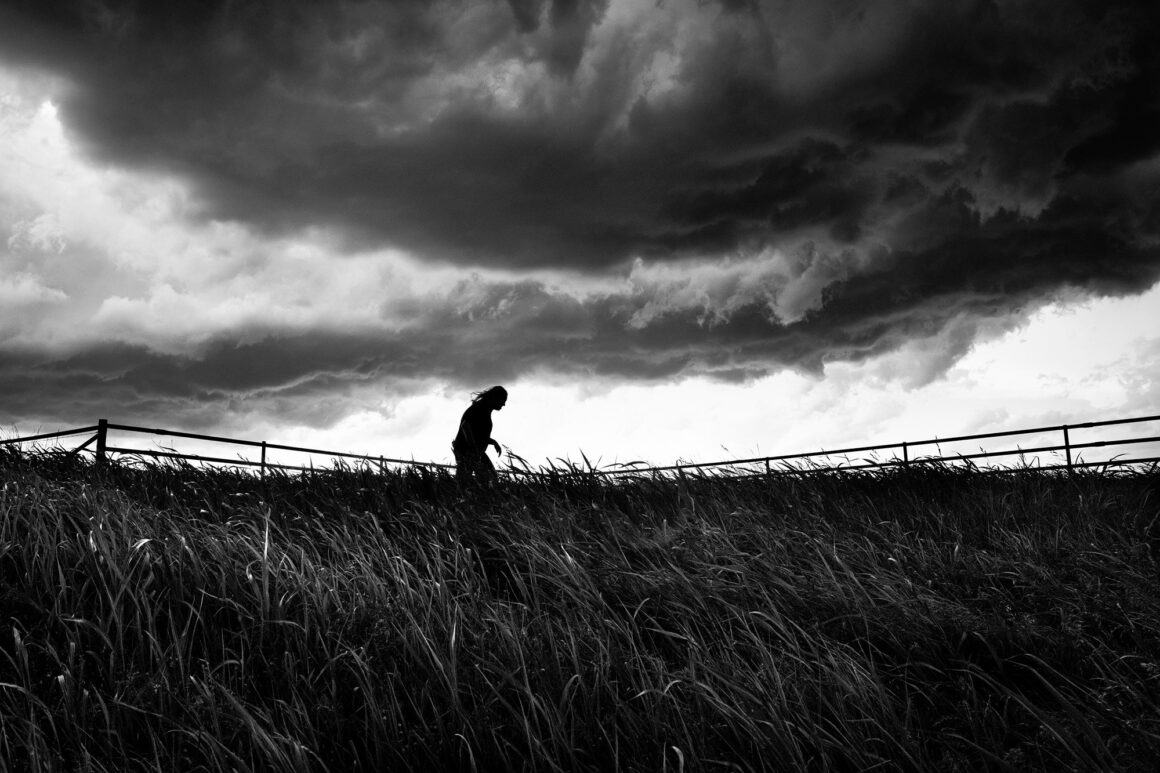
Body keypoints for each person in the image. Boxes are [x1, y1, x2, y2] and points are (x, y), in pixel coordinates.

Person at [452, 386, 507, 484]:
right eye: (502, 400)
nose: (504, 404)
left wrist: (492, 441)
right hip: (467, 451)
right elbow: (465, 425)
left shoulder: (485, 409)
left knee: (491, 477)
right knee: (465, 479)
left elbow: (477, 433)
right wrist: (473, 448)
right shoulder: (480, 407)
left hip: (476, 451)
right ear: (494, 398)